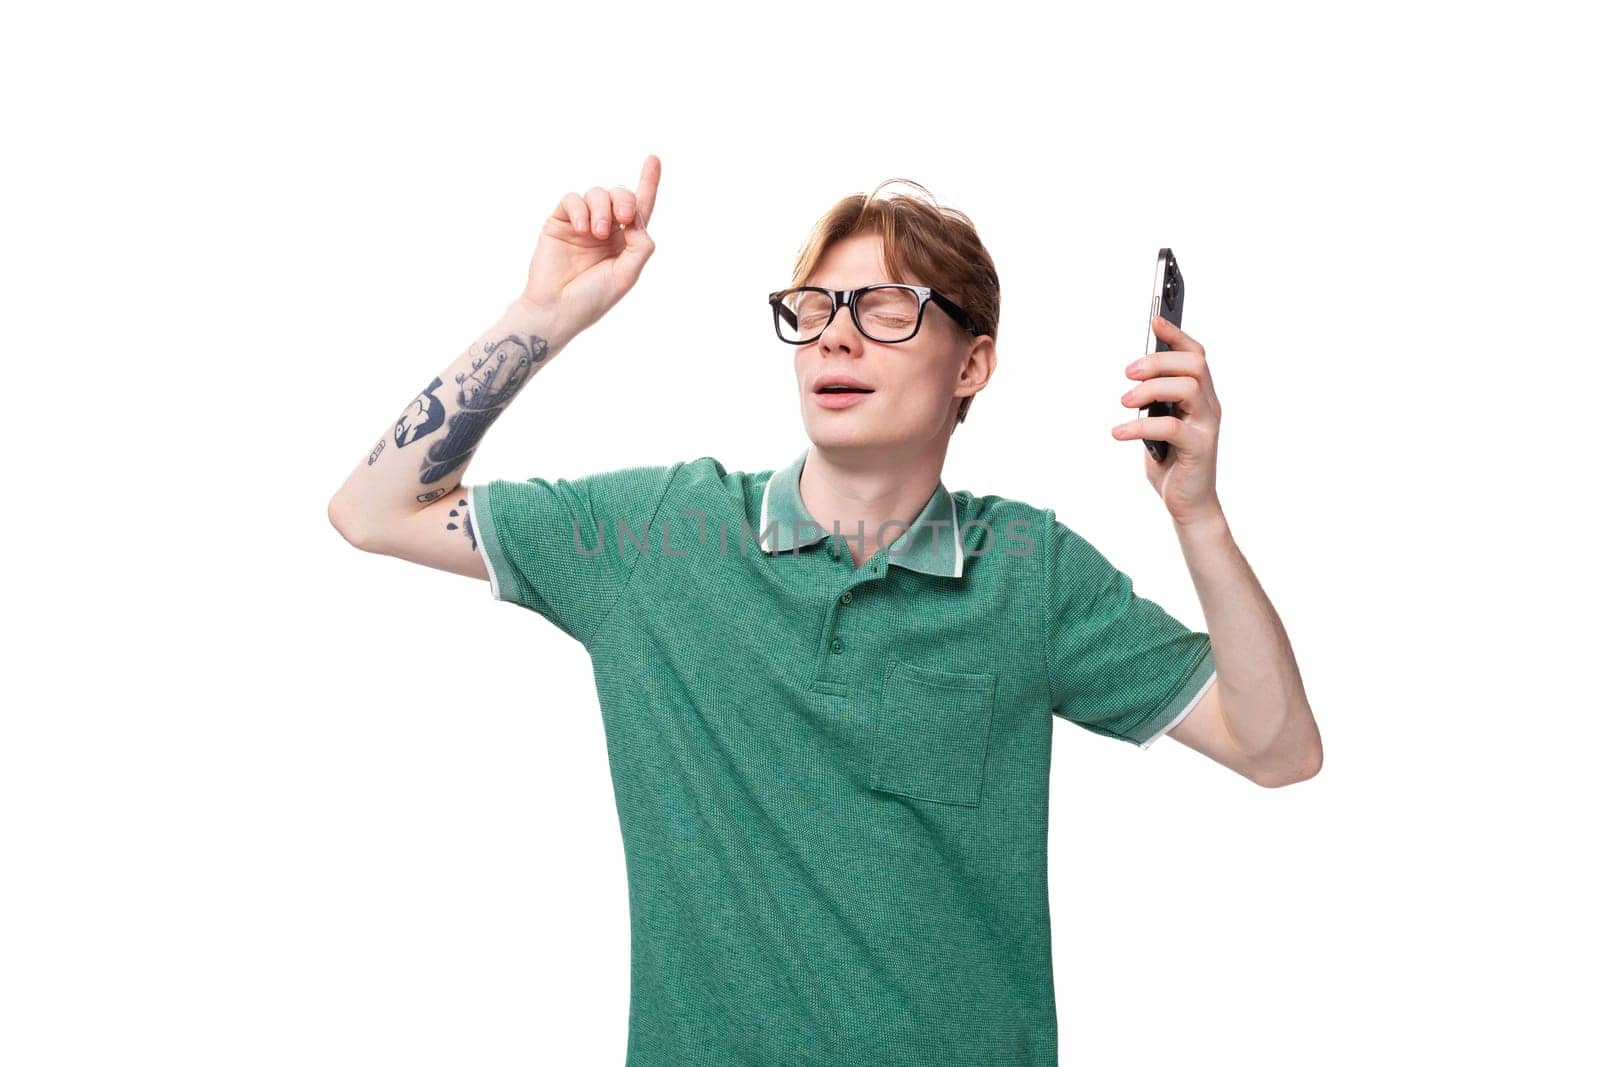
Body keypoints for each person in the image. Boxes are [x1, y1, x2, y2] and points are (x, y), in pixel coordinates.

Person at [328, 154, 1323, 1065]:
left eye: (887, 305)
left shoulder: (1032, 570)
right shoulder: (653, 535)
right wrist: (544, 313)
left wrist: (1195, 513)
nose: (835, 332)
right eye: (813, 306)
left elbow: (1275, 746)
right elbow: (374, 510)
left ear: (971, 364)